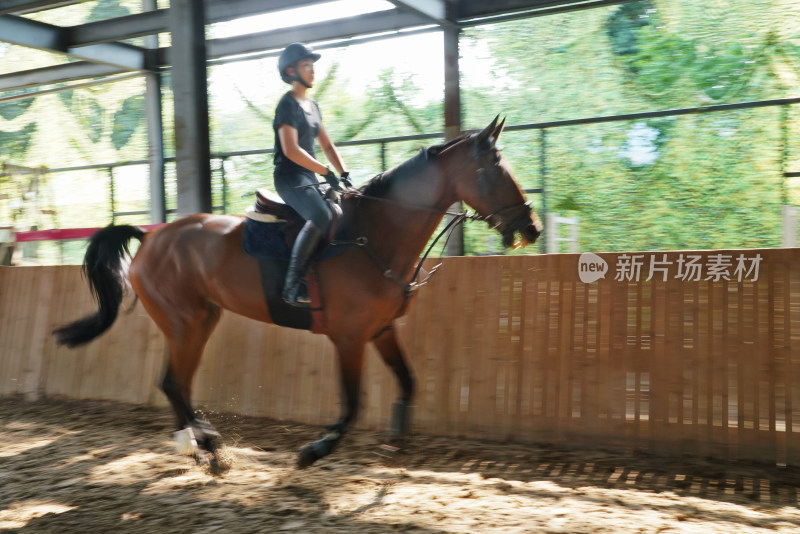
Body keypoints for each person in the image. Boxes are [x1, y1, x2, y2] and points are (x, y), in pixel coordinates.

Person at [272, 43, 350, 307]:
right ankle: (292, 285)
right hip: (290, 177)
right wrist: (326, 172)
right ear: (291, 71)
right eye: (307, 66)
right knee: (321, 214)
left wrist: (344, 172)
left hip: (311, 176)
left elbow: (327, 145)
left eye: (312, 66)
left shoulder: (312, 105)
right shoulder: (287, 105)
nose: (313, 71)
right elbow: (291, 150)